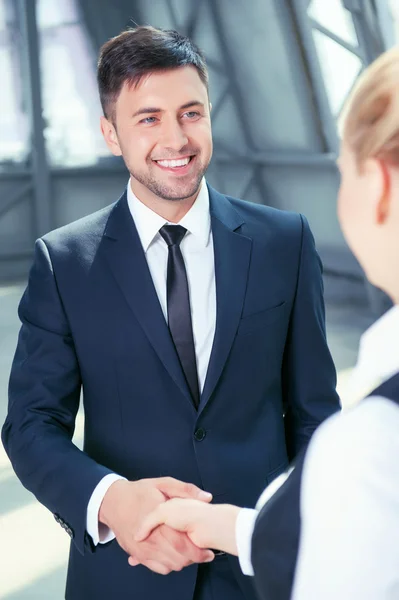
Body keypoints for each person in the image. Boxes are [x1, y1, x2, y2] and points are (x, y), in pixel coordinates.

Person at [1, 26, 339, 600]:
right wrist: (111, 501)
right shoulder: (65, 262)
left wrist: (291, 532)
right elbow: (32, 426)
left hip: (260, 570)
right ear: (110, 132)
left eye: (191, 112)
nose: (177, 138)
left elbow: (316, 417)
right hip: (124, 575)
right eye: (148, 118)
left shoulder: (284, 241)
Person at [134, 46, 399, 600]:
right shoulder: (64, 260)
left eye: (342, 170)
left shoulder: (371, 442)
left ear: (379, 185)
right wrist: (228, 525)